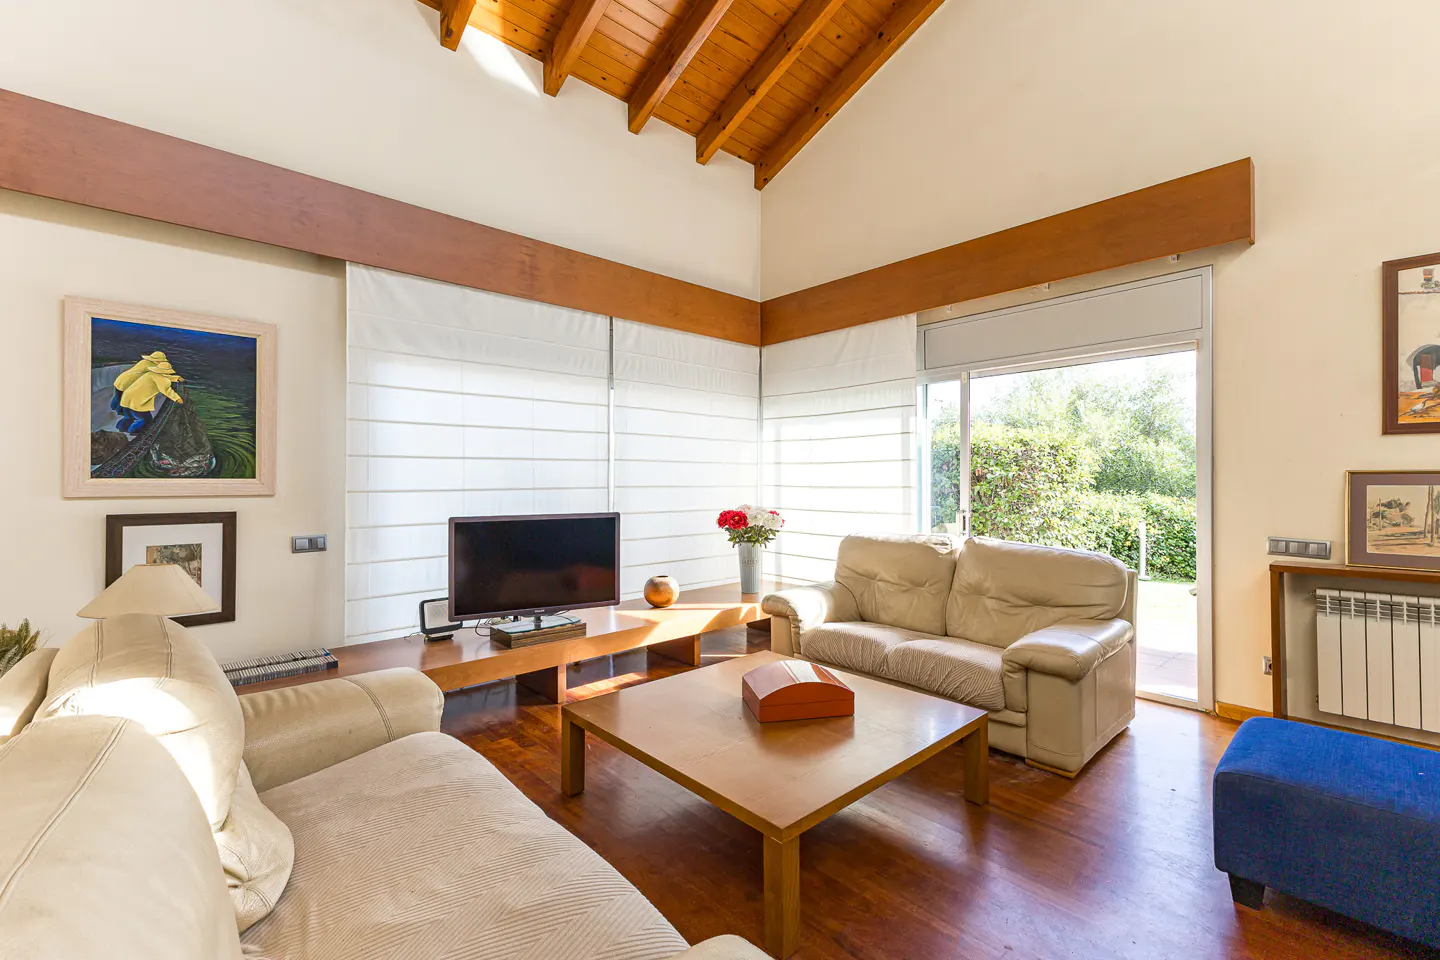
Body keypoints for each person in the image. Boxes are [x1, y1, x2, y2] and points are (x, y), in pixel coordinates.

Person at [114, 352, 185, 435]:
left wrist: (176, 378)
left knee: (129, 416)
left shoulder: (151, 373)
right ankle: (133, 432)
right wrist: (178, 399)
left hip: (127, 397)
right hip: (137, 401)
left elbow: (163, 377)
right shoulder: (162, 380)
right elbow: (167, 390)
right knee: (145, 419)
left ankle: (120, 427)